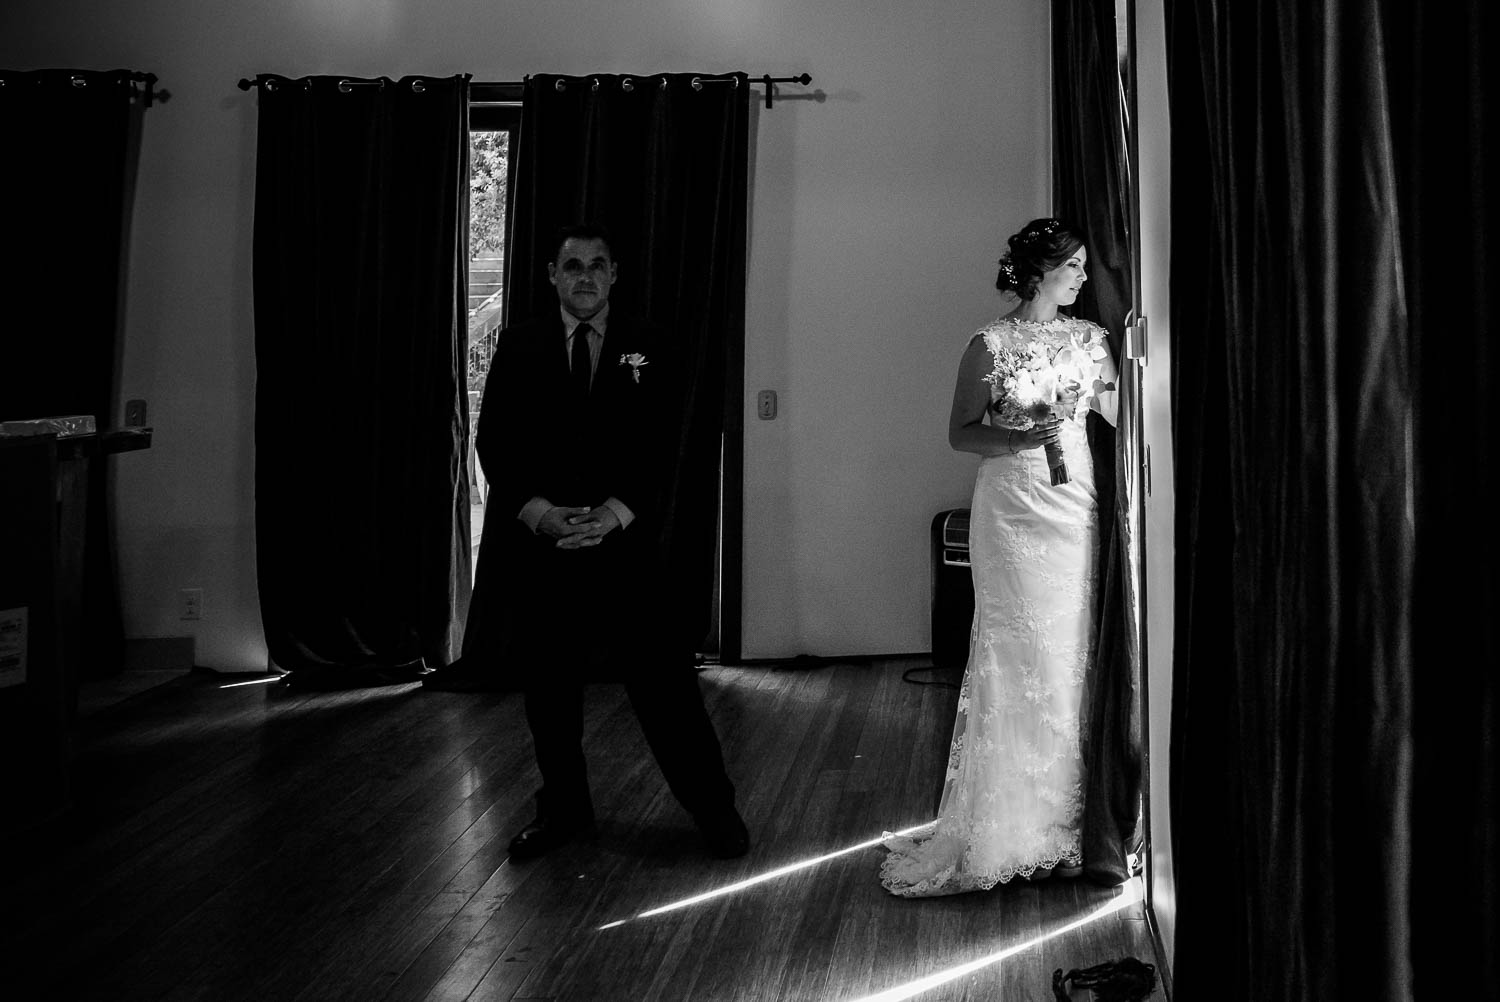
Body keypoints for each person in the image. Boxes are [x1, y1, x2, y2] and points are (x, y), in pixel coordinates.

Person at [425, 224, 748, 861]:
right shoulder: (517, 347)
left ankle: (716, 812)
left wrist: (618, 513)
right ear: (551, 274)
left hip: (626, 549)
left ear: (614, 274)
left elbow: (666, 444)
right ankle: (565, 814)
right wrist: (538, 513)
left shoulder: (651, 346)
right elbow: (495, 442)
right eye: (572, 265)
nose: (585, 276)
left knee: (666, 691)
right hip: (544, 554)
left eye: (598, 265)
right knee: (550, 696)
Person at [880, 217, 1118, 896]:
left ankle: (1069, 825)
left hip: (1072, 507)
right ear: (1038, 272)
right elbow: (960, 433)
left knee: (1068, 656)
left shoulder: (1089, 340)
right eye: (1070, 267)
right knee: (1018, 657)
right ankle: (1011, 831)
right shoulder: (989, 344)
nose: (1080, 278)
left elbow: (1116, 413)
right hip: (1011, 510)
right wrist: (1018, 437)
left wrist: (1110, 388)